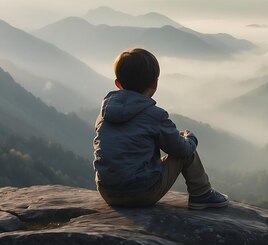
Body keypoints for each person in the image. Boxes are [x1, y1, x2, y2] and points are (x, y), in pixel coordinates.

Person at [93, 48, 228, 209]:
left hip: (107, 192)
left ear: (118, 83)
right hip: (140, 194)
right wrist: (190, 138)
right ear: (155, 84)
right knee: (187, 151)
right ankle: (202, 193)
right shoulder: (155, 116)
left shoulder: (104, 114)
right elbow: (181, 149)